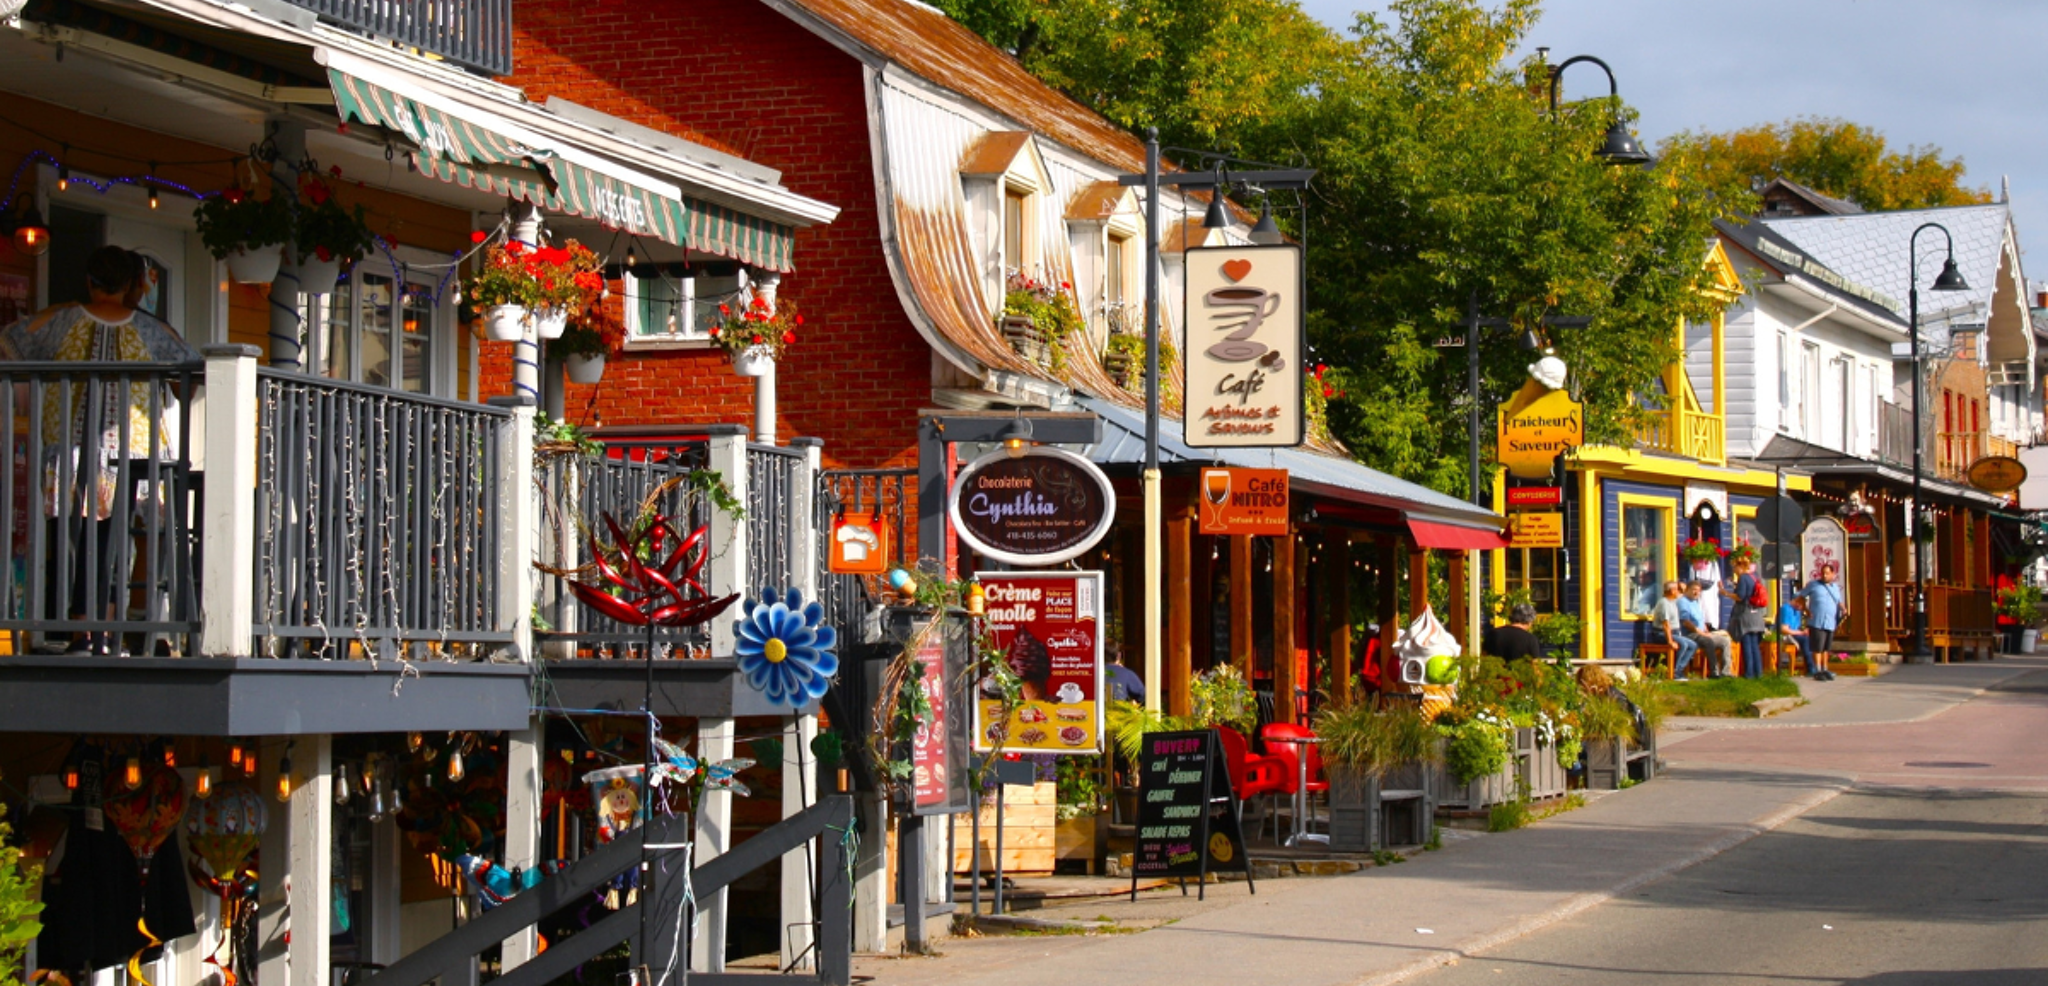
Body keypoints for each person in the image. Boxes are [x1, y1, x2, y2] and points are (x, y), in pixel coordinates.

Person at [0, 246, 196, 654]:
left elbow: (12, 340)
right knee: (124, 535)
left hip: (68, 448)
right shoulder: (152, 329)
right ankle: (123, 631)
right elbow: (188, 376)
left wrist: (66, 308)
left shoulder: (64, 319)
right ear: (131, 286)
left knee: (74, 537)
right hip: (133, 450)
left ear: (90, 281)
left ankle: (83, 633)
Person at [1798, 563, 1846, 681]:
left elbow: (1839, 601)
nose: (1824, 575)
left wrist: (1843, 608)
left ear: (1833, 574)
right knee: (1817, 647)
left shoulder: (1835, 587)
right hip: (1817, 621)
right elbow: (1800, 596)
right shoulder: (1813, 585)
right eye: (1823, 573)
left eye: (1827, 573)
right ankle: (1817, 670)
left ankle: (1825, 669)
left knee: (1826, 648)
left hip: (1830, 621)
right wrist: (1806, 610)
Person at [1678, 580, 1733, 678]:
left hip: (1701, 632)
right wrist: (1703, 634)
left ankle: (1726, 672)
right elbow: (1686, 622)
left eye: (1699, 591)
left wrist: (1706, 630)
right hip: (1689, 634)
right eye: (1694, 590)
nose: (1696, 593)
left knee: (1725, 641)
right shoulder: (1683, 602)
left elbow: (1700, 620)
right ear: (1687, 590)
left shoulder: (1695, 602)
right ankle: (1714, 672)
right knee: (1708, 641)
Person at [1728, 555, 1768, 678]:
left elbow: (1740, 596)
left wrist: (1726, 593)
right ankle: (1758, 672)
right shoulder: (1753, 577)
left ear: (1740, 566)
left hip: (1745, 615)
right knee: (1754, 645)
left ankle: (1749, 673)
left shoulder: (1743, 578)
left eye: (1734, 567)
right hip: (1756, 615)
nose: (1733, 569)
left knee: (1747, 644)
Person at [1653, 580, 1697, 679]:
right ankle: (1675, 672)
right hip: (1661, 634)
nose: (1679, 592)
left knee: (1693, 645)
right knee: (1683, 644)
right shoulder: (1664, 603)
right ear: (1672, 591)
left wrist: (1684, 588)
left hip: (1675, 633)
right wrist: (1670, 641)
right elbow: (1666, 625)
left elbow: (1685, 596)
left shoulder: (1674, 601)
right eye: (1677, 590)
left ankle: (1679, 669)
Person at [1104, 639, 1146, 704]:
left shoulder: (1092, 674)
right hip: (1120, 712)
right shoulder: (1127, 674)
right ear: (1119, 655)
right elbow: (1143, 696)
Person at [1778, 596, 1812, 674]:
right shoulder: (1786, 609)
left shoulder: (1797, 611)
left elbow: (1796, 627)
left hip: (1794, 633)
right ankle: (1811, 667)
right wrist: (1801, 633)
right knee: (1805, 639)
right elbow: (1784, 629)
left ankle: (1811, 667)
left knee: (1809, 638)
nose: (1801, 609)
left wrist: (1804, 631)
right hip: (1785, 635)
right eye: (1801, 606)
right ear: (1797, 602)